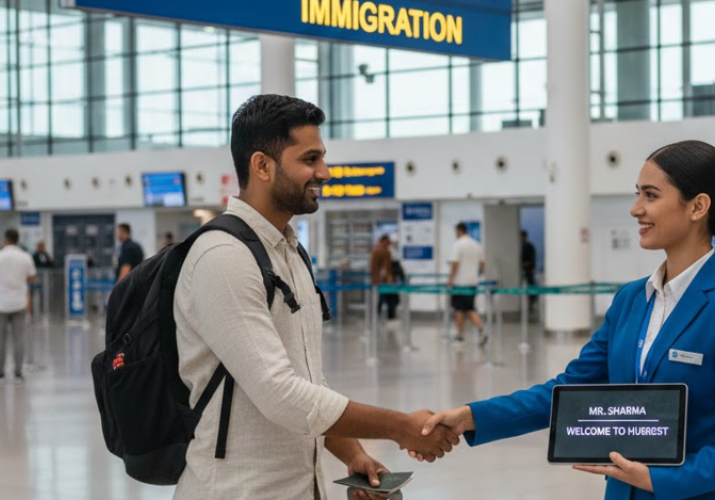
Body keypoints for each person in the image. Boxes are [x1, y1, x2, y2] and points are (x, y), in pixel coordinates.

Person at [418, 141, 715, 500]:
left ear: (698, 206)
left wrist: (666, 479)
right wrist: (471, 417)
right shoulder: (630, 300)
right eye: (637, 194)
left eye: (650, 195)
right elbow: (566, 391)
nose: (635, 209)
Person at [173, 95, 457, 500]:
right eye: (309, 159)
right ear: (262, 166)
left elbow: (309, 384)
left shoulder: (288, 252)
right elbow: (281, 394)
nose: (323, 172)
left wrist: (353, 453)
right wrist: (400, 427)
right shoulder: (223, 257)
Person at [0, 229, 37, 384]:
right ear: (18, 240)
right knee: (19, 338)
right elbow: (32, 278)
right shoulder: (25, 257)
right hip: (20, 302)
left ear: (5, 240)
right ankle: (18, 372)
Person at [448, 222, 487, 346]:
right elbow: (482, 263)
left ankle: (480, 330)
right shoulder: (476, 244)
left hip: (460, 282)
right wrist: (479, 274)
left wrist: (450, 280)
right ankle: (459, 334)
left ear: (459, 231)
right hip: (472, 282)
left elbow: (455, 263)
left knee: (464, 309)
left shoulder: (458, 244)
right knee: (463, 308)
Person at [370, 234, 399, 323]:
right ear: (384, 240)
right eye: (388, 241)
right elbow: (378, 267)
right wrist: (378, 278)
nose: (389, 243)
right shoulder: (381, 250)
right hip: (384, 280)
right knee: (387, 298)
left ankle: (382, 316)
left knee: (385, 298)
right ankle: (387, 316)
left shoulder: (381, 250)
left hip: (384, 279)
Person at [520, 230, 538, 312]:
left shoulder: (529, 247)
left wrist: (525, 265)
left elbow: (532, 260)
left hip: (529, 272)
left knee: (530, 289)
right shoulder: (519, 247)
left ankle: (530, 305)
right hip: (521, 273)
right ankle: (527, 305)